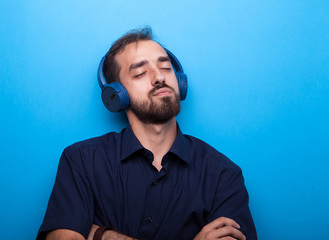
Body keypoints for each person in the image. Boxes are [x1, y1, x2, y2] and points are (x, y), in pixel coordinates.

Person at [37, 27, 257, 240]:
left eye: (166, 67)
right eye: (141, 72)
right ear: (116, 94)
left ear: (180, 82)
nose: (159, 77)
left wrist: (101, 235)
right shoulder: (82, 161)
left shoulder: (223, 174)